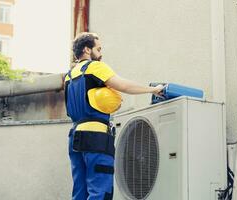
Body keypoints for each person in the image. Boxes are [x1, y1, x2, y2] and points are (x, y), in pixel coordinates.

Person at [64, 32, 164, 200]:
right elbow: (123, 85)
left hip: (75, 137)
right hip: (95, 135)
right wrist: (153, 90)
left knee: (80, 192)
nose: (101, 53)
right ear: (87, 50)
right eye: (98, 48)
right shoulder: (95, 67)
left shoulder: (69, 75)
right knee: (100, 190)